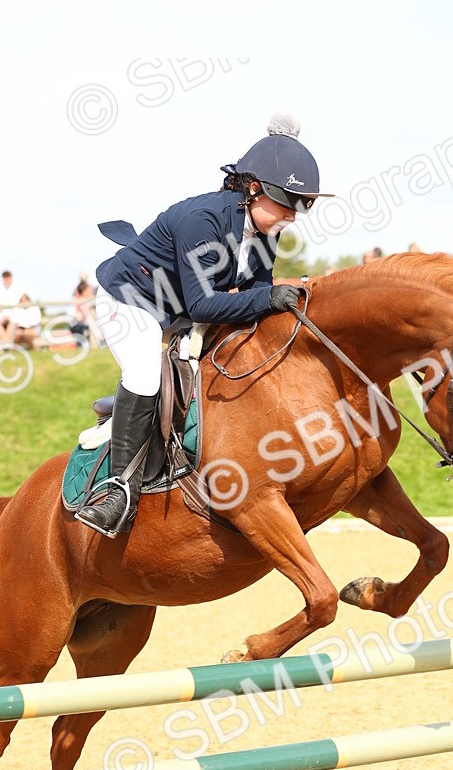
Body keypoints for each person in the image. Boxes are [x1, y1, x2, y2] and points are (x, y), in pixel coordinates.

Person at [77, 113, 332, 538]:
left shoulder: (265, 230)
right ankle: (117, 488)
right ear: (254, 190)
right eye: (289, 202)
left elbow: (255, 292)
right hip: (130, 299)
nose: (294, 214)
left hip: (178, 308)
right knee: (144, 375)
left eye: (302, 204)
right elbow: (203, 304)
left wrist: (276, 301)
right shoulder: (204, 220)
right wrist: (269, 297)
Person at [0, 270, 25, 344]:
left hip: (14, 311)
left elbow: (21, 302)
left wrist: (8, 315)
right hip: (0, 312)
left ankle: (5, 343)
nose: (6, 280)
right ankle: (6, 343)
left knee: (13, 320)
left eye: (8, 278)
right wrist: (3, 314)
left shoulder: (18, 286)